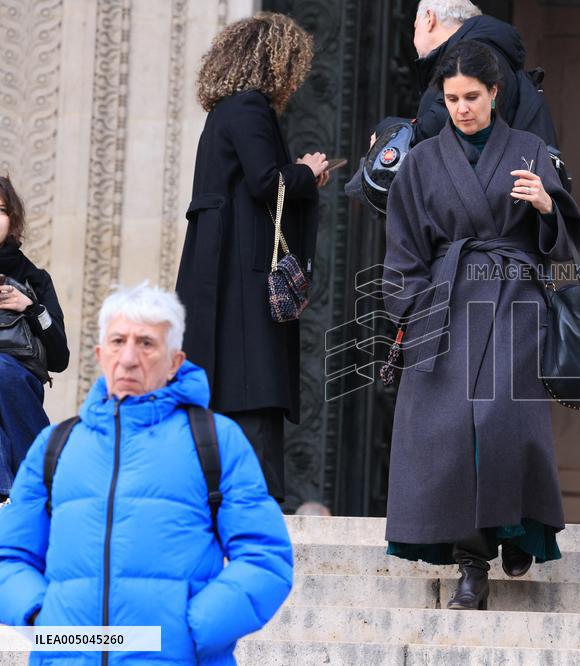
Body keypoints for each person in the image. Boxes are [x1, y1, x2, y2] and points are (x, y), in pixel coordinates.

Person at [380, 40, 580, 611]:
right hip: (444, 306)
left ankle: (517, 528)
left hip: (516, 303)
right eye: (451, 99)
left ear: (494, 92)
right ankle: (472, 563)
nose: (462, 108)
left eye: (472, 96)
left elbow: (563, 244)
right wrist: (413, 310)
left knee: (503, 423)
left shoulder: (530, 150)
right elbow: (403, 246)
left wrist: (547, 206)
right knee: (452, 436)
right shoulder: (421, 160)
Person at [0, 283, 293, 664]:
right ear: (100, 355)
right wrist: (42, 618)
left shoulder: (217, 441)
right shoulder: (55, 445)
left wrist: (188, 631)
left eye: (146, 344)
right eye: (118, 342)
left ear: (175, 362)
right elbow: (9, 557)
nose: (128, 358)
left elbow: (265, 559)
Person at [176, 13, 331, 503]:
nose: (295, 80)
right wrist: (306, 172)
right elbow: (267, 182)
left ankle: (224, 492)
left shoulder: (224, 111)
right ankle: (255, 498)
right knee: (254, 383)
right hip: (242, 274)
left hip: (220, 272)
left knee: (226, 384)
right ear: (276, 62)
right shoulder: (250, 107)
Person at [0, 176, 69, 504]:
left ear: (13, 220)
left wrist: (30, 307)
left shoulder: (34, 279)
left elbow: (60, 358)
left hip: (17, 379)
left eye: (1, 210)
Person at [410, 0, 556, 144]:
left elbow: (436, 128)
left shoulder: (472, 56)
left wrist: (399, 131)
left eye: (416, 26)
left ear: (430, 19)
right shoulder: (487, 50)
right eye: (452, 99)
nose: (462, 109)